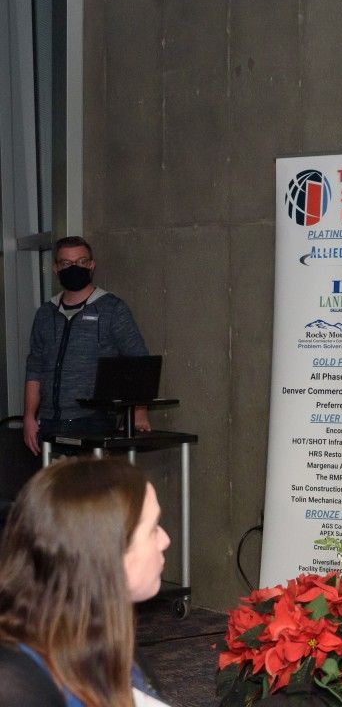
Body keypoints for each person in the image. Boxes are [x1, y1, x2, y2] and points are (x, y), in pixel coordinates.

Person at [0, 457, 172, 706]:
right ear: (107, 554)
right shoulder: (15, 683)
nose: (165, 540)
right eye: (153, 529)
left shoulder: (102, 634)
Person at [22, 236, 151, 455]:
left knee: (90, 487)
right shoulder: (45, 313)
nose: (74, 268)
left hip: (94, 421)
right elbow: (34, 367)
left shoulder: (112, 309)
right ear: (55, 268)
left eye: (81, 262)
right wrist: (29, 417)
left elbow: (139, 361)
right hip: (50, 422)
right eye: (66, 264)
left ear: (91, 265)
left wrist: (139, 411)